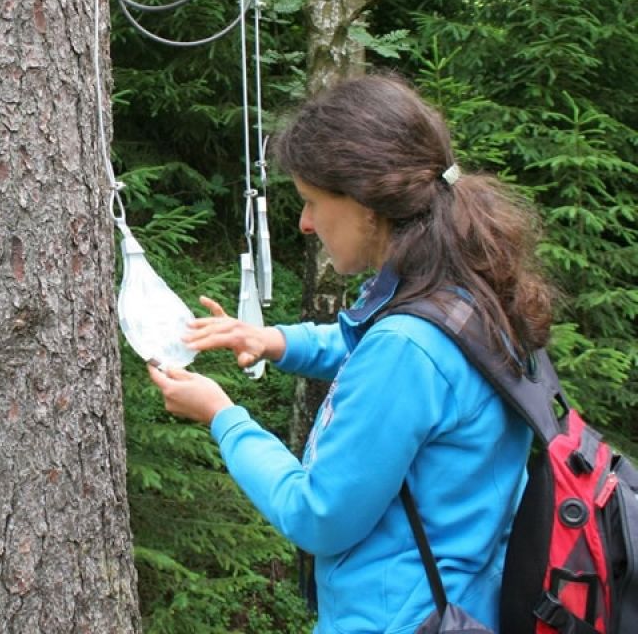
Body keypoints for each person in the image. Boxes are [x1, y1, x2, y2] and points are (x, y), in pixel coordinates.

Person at [147, 74, 555, 634]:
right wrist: (276, 341)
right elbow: (382, 352)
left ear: (366, 202)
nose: (305, 223)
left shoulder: (407, 350)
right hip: (469, 606)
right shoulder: (469, 296)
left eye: (313, 201)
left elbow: (319, 516)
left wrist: (223, 417)